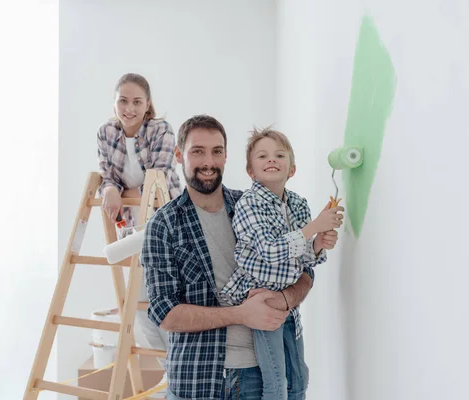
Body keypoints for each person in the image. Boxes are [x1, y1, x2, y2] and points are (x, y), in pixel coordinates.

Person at [141, 115, 340, 399]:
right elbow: (164, 313)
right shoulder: (163, 225)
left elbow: (304, 267)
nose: (208, 161)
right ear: (178, 155)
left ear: (226, 157)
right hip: (197, 379)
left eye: (217, 151)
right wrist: (242, 314)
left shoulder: (252, 204)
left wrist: (286, 298)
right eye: (197, 151)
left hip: (259, 376)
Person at [219, 127, 343, 399]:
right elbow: (270, 250)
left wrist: (319, 241)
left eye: (279, 155)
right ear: (251, 171)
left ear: (292, 169)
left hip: (289, 302)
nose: (271, 160)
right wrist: (313, 228)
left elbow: (305, 257)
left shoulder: (298, 204)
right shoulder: (249, 203)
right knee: (276, 382)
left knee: (300, 378)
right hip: (261, 299)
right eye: (262, 156)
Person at [96, 72, 183, 398]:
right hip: (133, 224)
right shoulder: (106, 132)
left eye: (136, 102)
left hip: (165, 219)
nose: (128, 108)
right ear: (115, 102)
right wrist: (109, 187)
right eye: (123, 100)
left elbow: (157, 178)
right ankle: (172, 373)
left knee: (165, 297)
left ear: (147, 106)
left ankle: (179, 374)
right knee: (139, 303)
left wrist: (118, 190)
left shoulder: (160, 130)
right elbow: (106, 173)